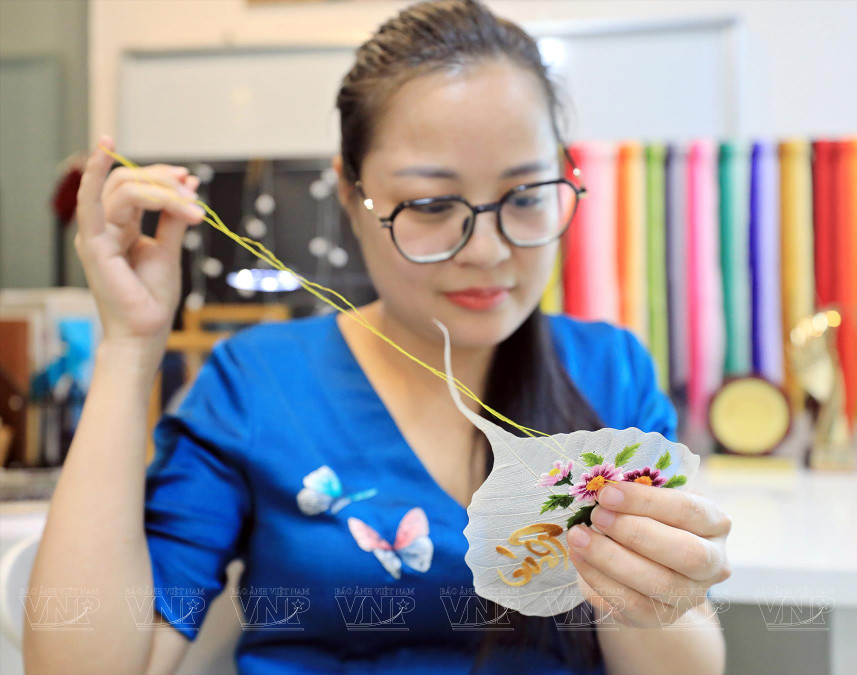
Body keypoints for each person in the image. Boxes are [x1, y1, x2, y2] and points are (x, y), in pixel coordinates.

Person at [24, 1, 730, 673]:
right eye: (429, 204)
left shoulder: (609, 373)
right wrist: (127, 347)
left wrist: (652, 594)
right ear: (349, 196)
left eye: (524, 195)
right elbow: (83, 662)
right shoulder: (258, 385)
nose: (485, 250)